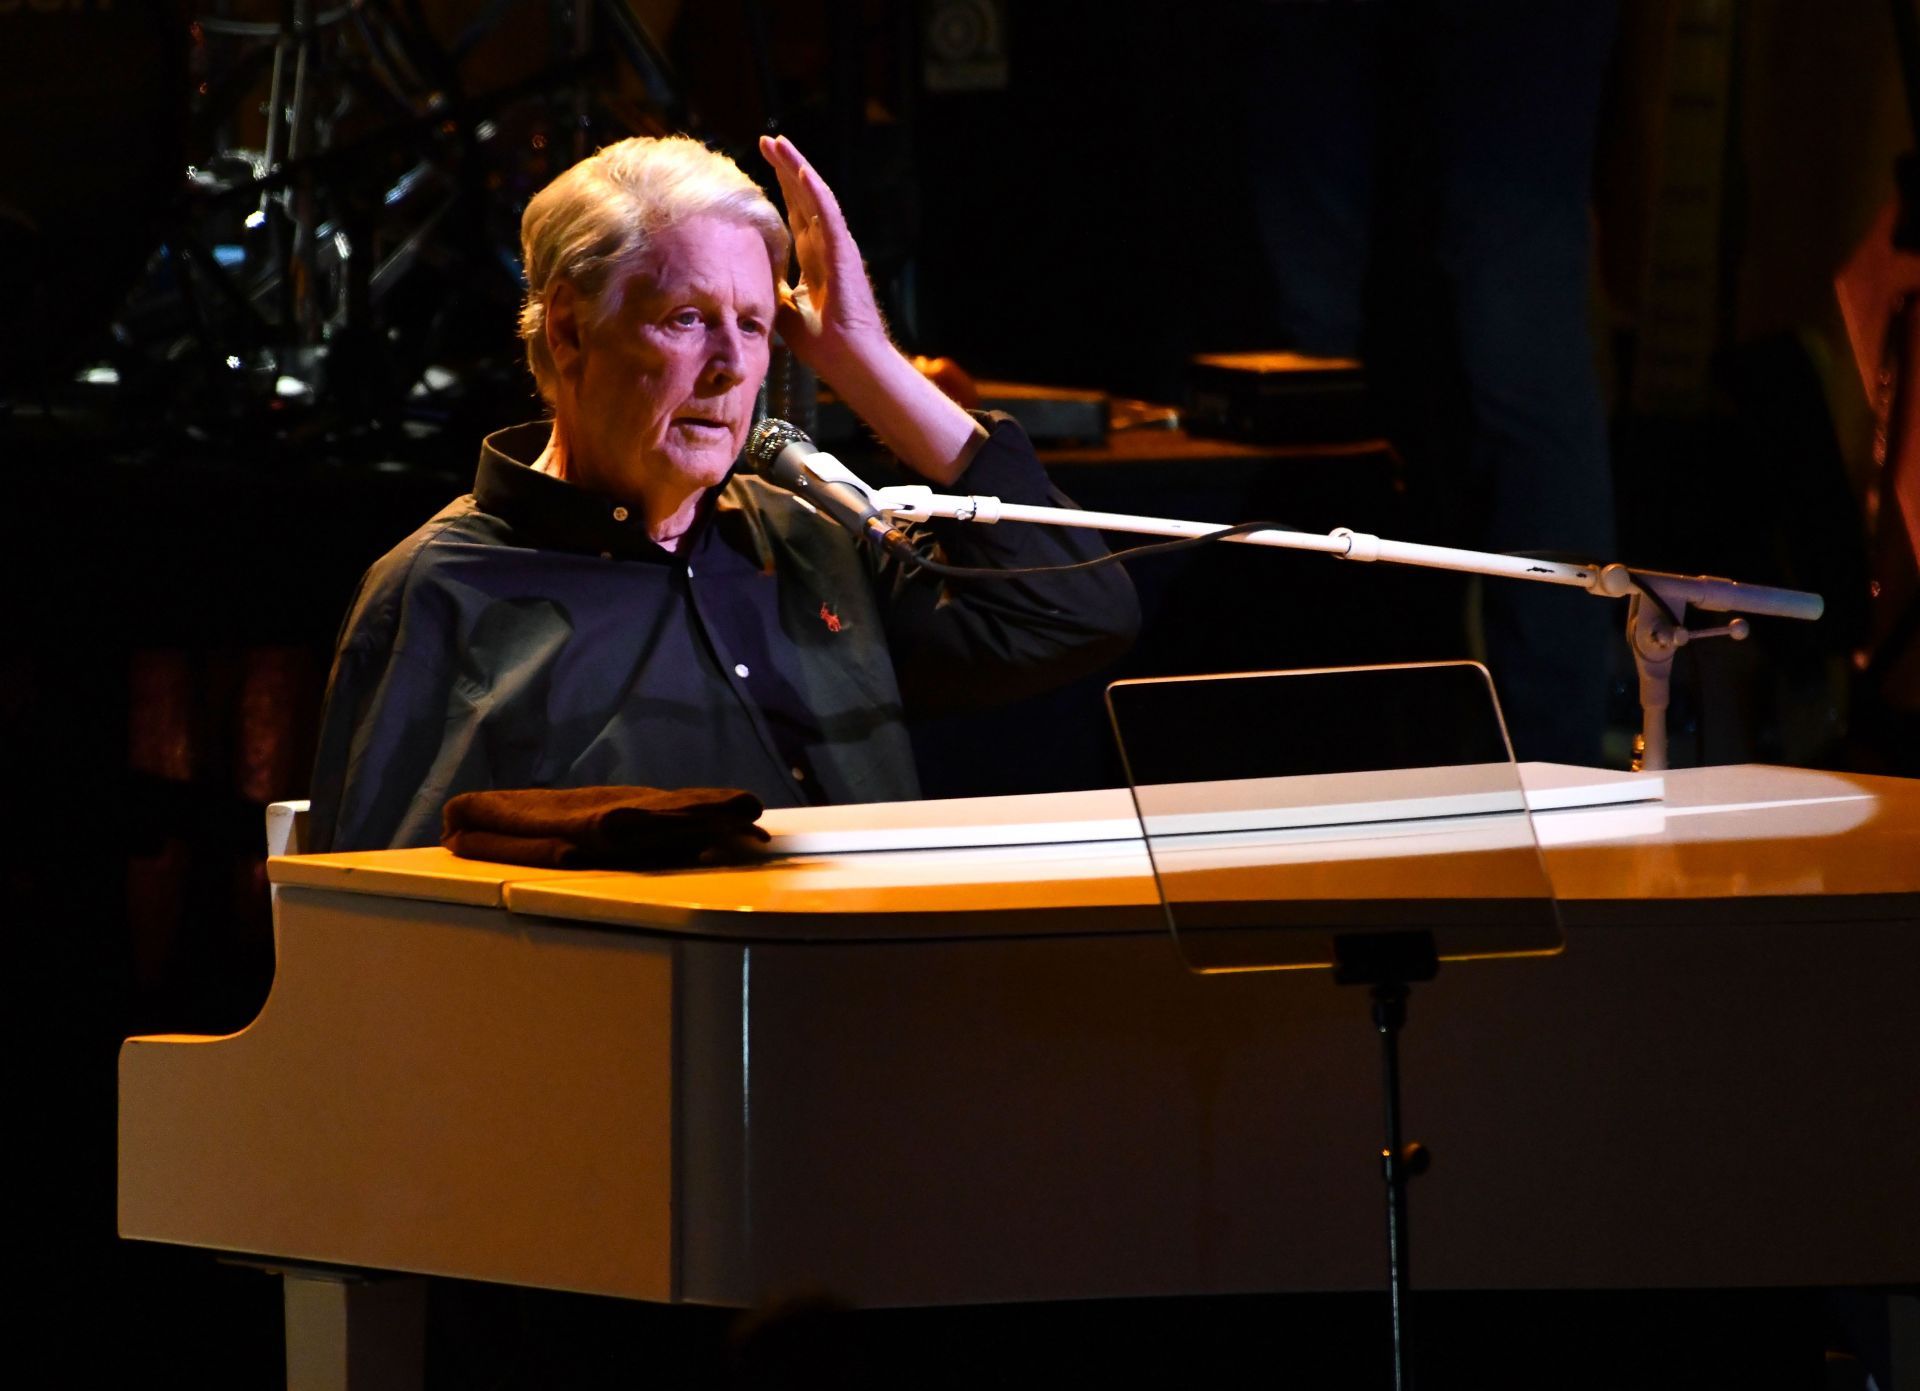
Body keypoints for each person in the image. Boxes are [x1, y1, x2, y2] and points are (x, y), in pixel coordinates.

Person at [306, 134, 1138, 852]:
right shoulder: (440, 588)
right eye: (686, 318)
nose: (735, 366)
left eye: (753, 324)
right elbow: (377, 925)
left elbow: (1075, 613)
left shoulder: (816, 539)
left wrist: (861, 358)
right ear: (567, 330)